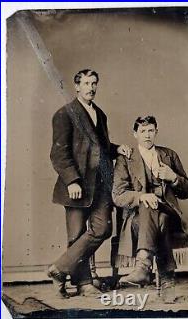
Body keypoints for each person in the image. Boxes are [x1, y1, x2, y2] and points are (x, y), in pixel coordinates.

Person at [48, 69, 131, 298]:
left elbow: (100, 148)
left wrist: (117, 149)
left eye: (94, 83)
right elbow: (59, 154)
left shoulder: (100, 114)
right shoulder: (65, 113)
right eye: (86, 83)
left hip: (102, 184)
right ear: (76, 86)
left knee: (103, 228)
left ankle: (60, 268)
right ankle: (84, 284)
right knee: (76, 235)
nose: (91, 88)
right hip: (77, 186)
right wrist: (72, 181)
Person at [112, 116, 188, 303]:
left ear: (156, 132)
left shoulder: (170, 155)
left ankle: (142, 267)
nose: (147, 135)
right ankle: (168, 281)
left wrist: (173, 177)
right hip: (138, 221)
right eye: (143, 131)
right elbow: (118, 195)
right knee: (159, 217)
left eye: (151, 130)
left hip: (170, 212)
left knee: (162, 214)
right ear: (135, 134)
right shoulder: (125, 158)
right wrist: (141, 196)